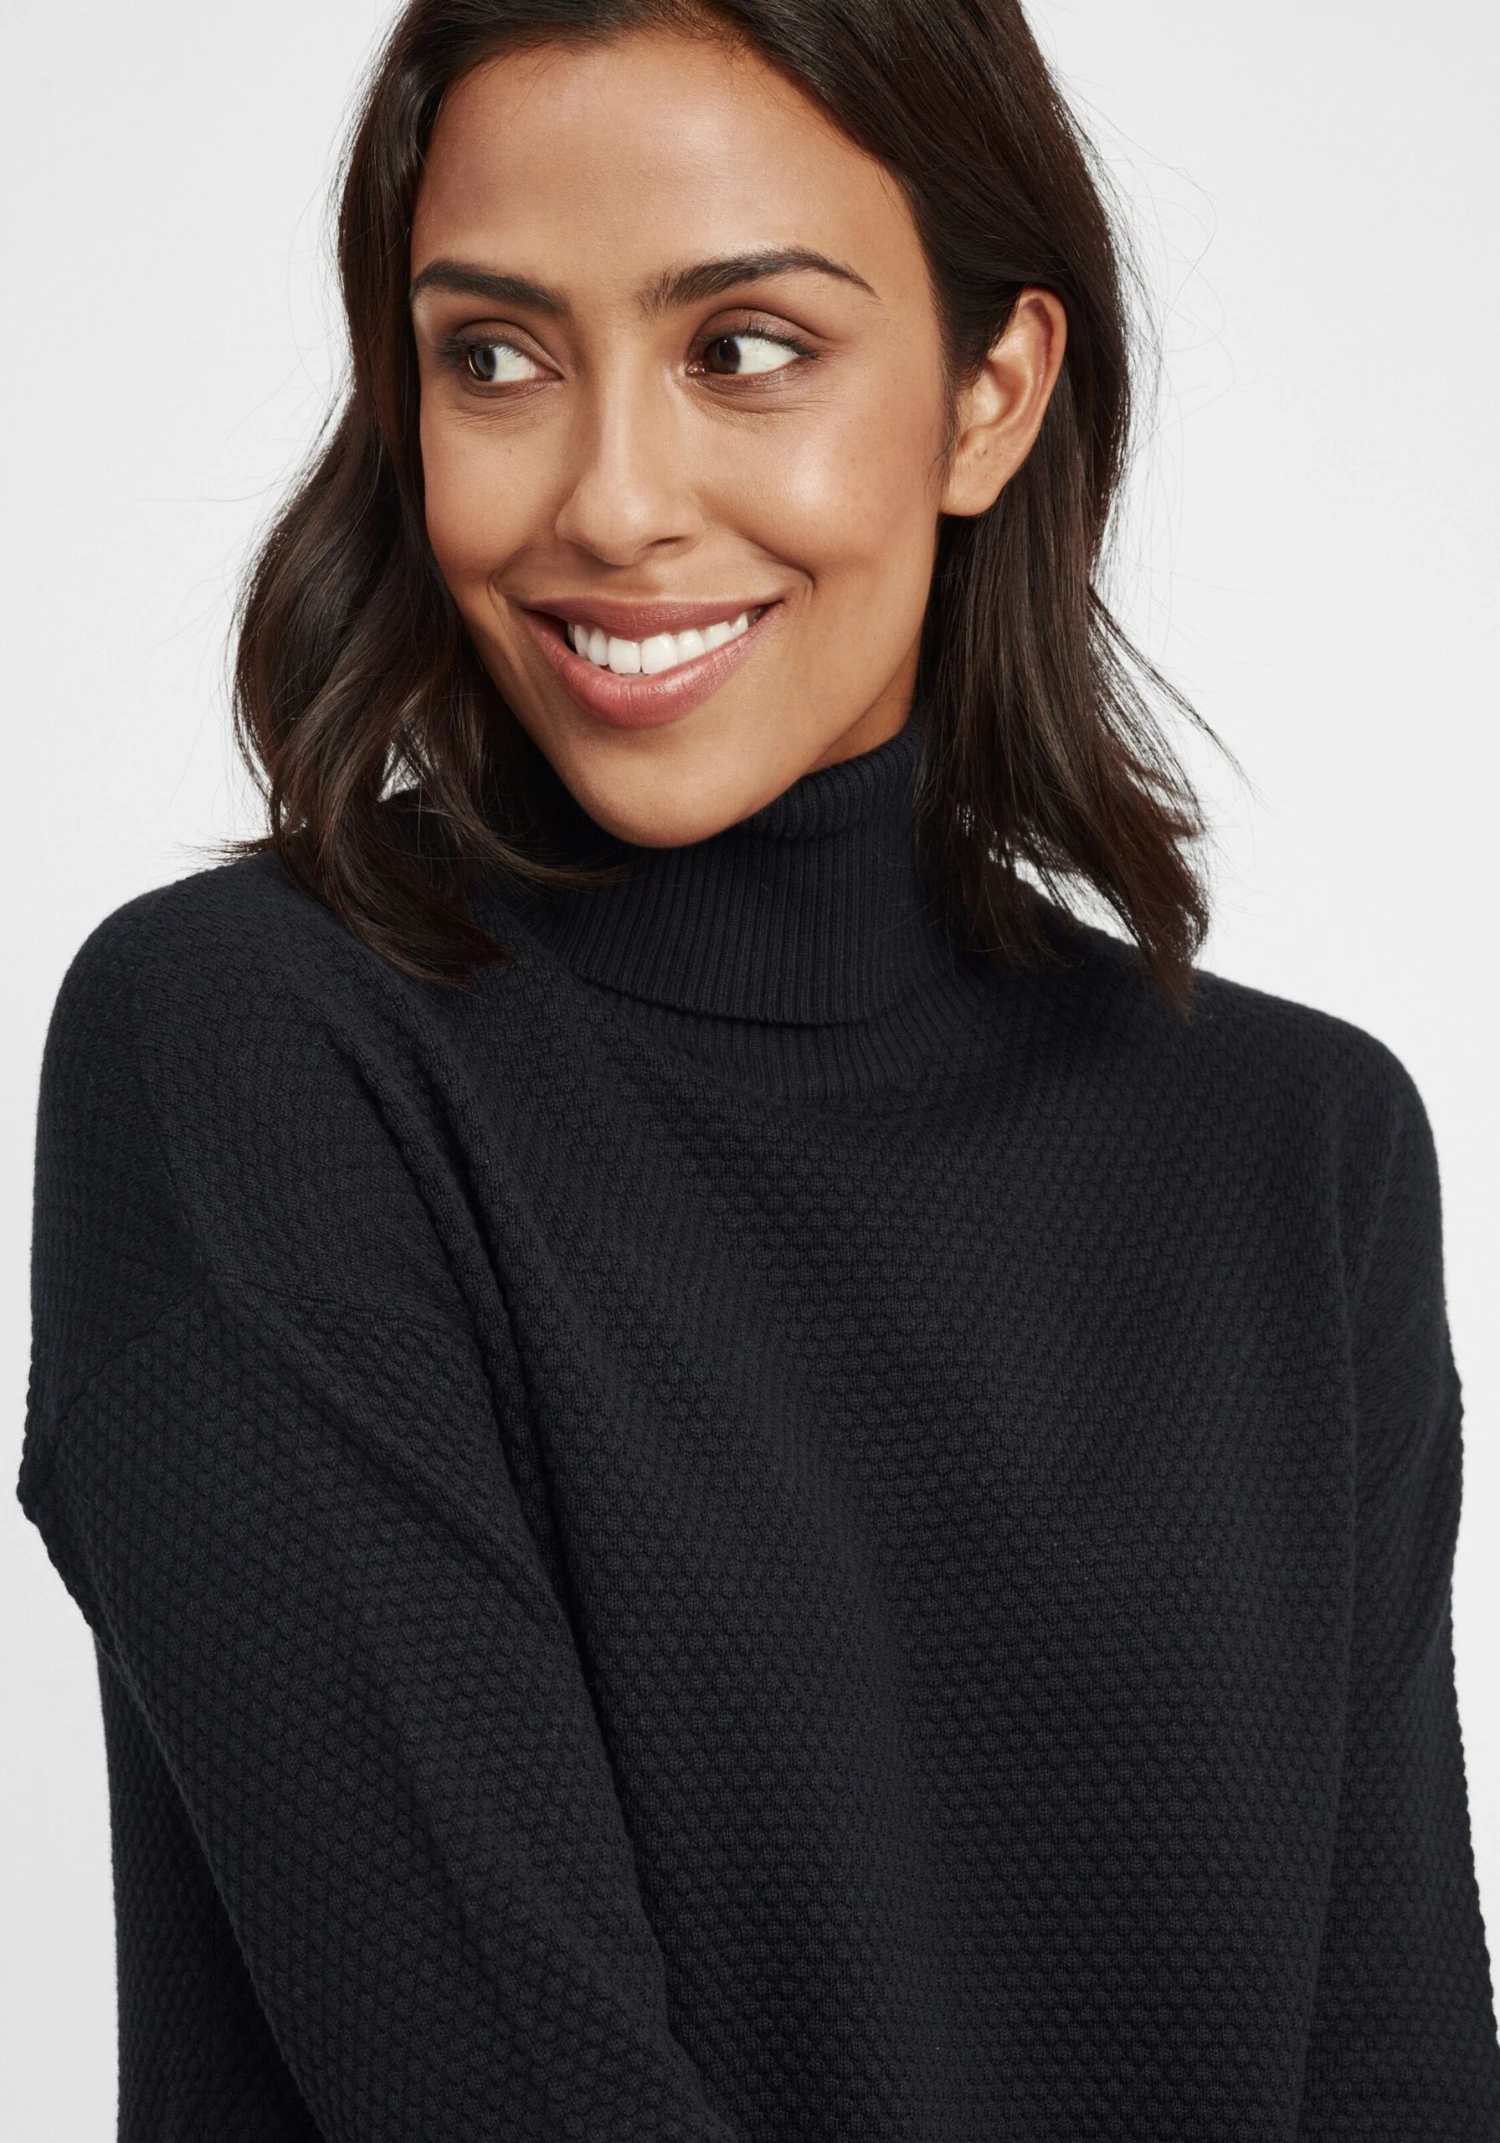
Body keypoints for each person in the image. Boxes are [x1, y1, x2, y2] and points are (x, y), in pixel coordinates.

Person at [17, 1, 1500, 2136]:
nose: (612, 501)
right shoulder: (254, 1050)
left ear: (992, 394)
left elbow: (1398, 2080)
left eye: (742, 347)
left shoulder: (1299, 1153)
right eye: (493, 358)